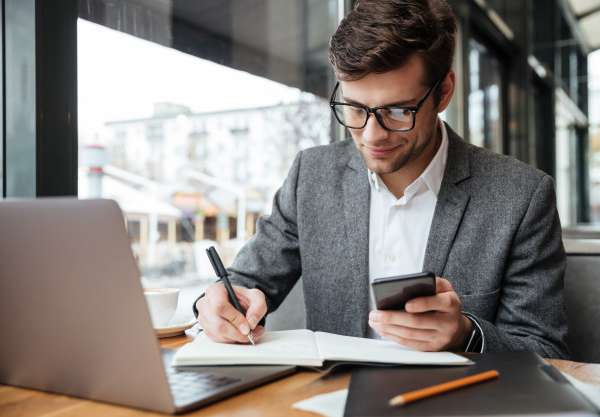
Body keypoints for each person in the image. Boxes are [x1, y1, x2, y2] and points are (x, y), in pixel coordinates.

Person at [193, 0, 568, 357]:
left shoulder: (521, 196)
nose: (372, 135)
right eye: (355, 109)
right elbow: (243, 282)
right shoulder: (311, 176)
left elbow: (545, 350)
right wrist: (219, 304)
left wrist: (467, 334)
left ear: (444, 92)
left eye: (398, 110)